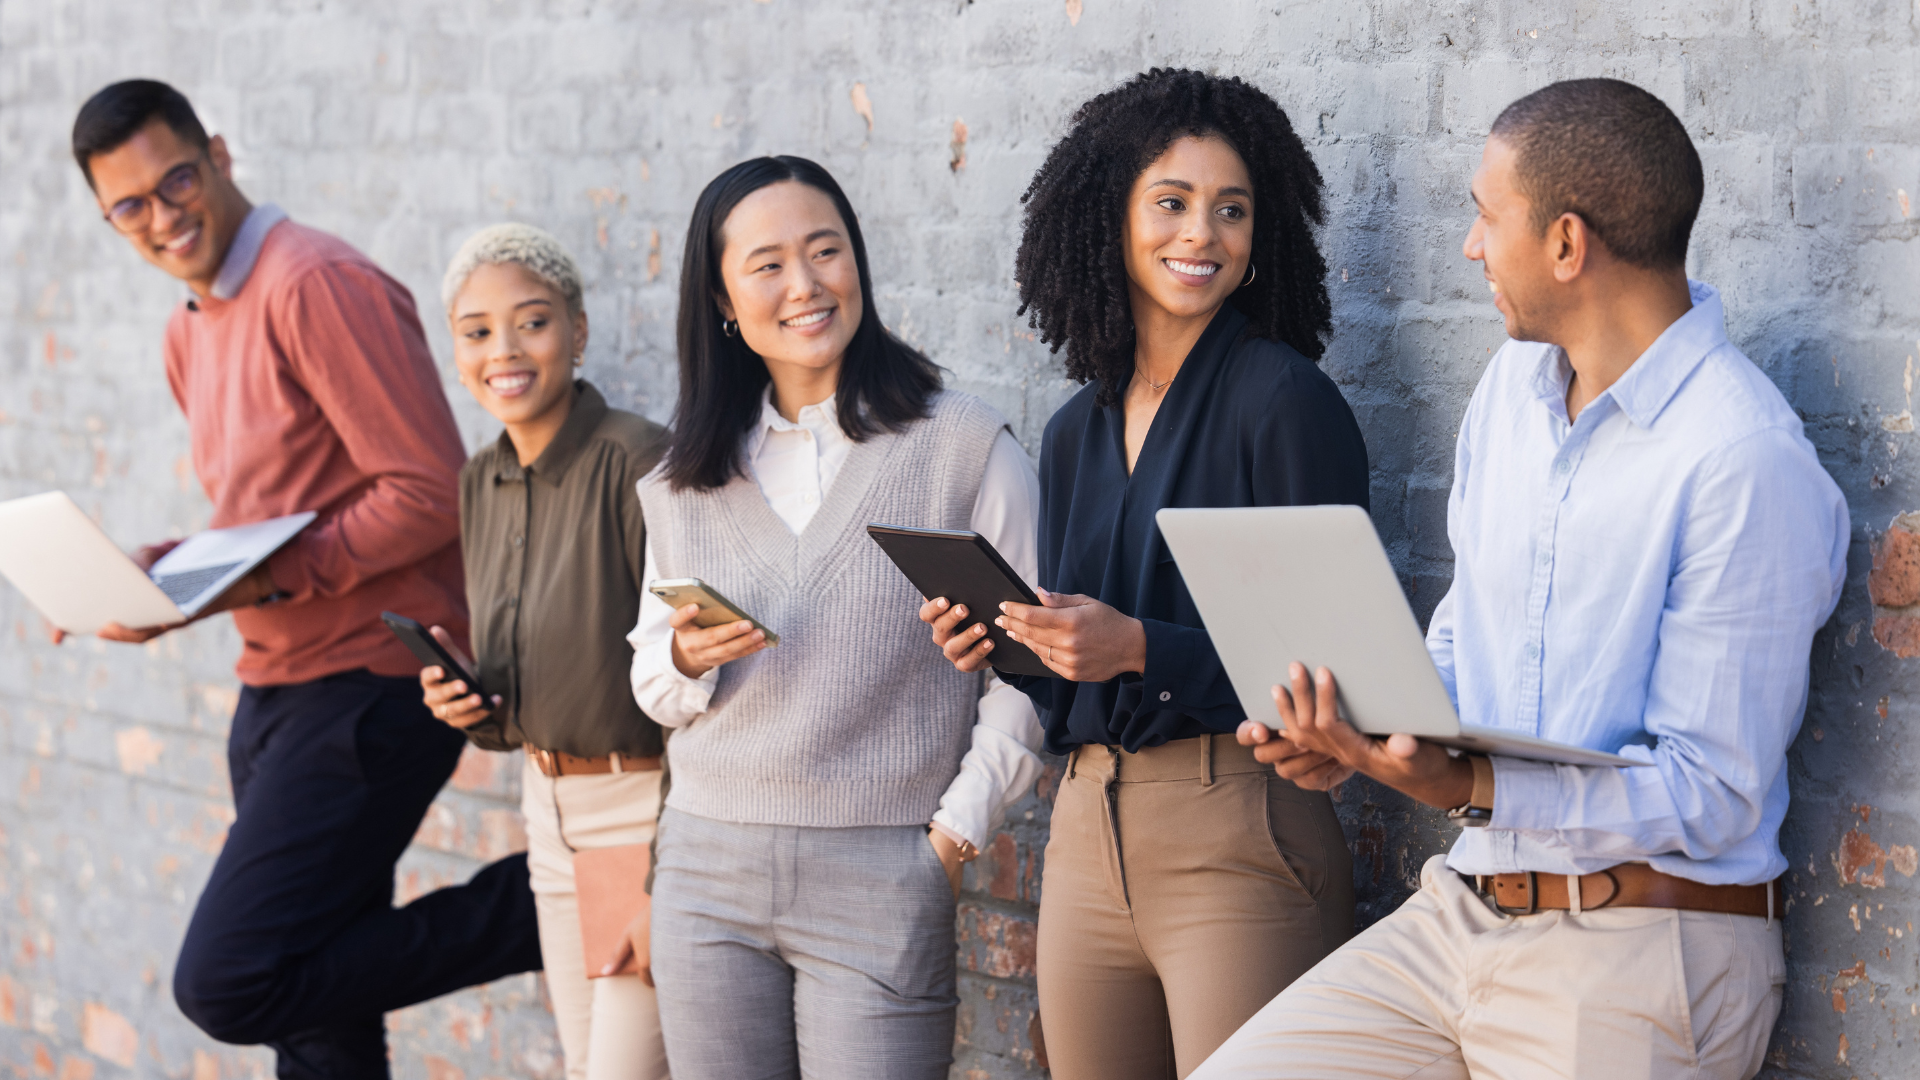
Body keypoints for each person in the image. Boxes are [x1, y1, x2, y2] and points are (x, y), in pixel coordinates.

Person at [1192, 78, 1849, 1080]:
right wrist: (1369, 731)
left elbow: (1711, 793)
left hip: (1638, 952)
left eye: (1485, 216)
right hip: (1461, 915)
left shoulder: (1743, 459)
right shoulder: (1511, 390)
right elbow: (1469, 628)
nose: (1469, 246)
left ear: (1566, 243)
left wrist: (1464, 783)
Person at [65, 80, 541, 1078]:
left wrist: (259, 581)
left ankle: (551, 900)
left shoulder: (316, 283)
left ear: (221, 155)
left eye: (178, 179)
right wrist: (161, 572)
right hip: (276, 691)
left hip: (374, 687)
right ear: (109, 218)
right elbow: (276, 508)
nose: (164, 215)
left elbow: (426, 491)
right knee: (319, 1022)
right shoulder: (188, 329)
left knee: (234, 979)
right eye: (131, 205)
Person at [921, 68, 1367, 1079]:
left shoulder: (1284, 403)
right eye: (1171, 203)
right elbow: (1081, 670)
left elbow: (1338, 671)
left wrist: (1137, 648)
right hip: (1084, 833)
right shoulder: (1077, 427)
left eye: (1231, 211)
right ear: (1111, 218)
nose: (1201, 234)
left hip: (1239, 826)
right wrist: (1010, 648)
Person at [628, 155, 1045, 1080]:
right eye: (768, 264)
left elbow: (1029, 674)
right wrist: (688, 658)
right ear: (724, 302)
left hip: (882, 868)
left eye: (827, 250)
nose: (807, 284)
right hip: (704, 870)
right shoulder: (678, 484)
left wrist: (946, 842)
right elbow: (654, 681)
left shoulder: (964, 448)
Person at [417, 224, 670, 1080]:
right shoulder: (476, 481)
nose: (505, 351)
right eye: (477, 331)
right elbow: (523, 686)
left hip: (645, 815)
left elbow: (707, 677)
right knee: (582, 1062)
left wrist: (669, 857)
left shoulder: (641, 461)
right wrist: (475, 707)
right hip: (547, 819)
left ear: (579, 330)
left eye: (532, 321)